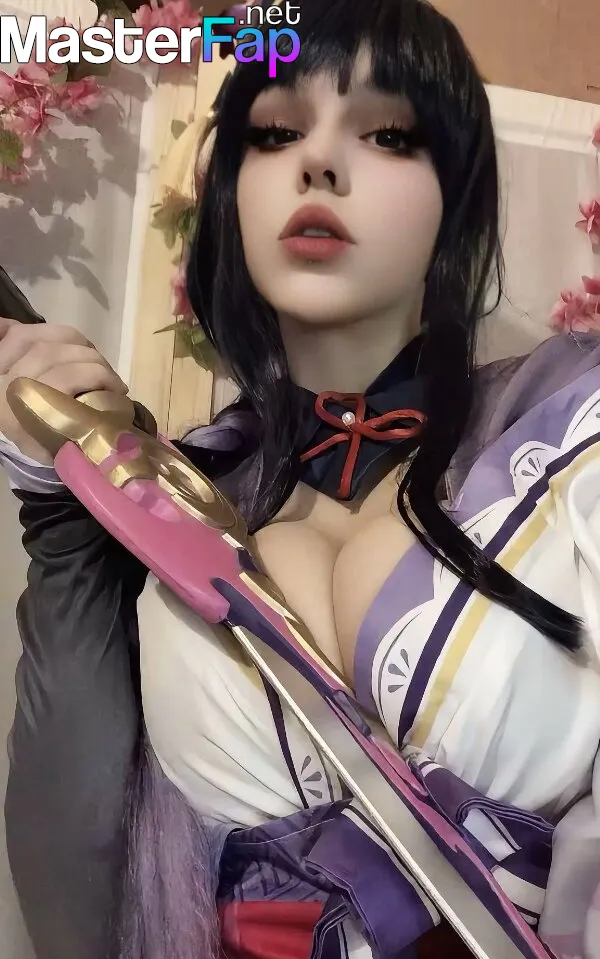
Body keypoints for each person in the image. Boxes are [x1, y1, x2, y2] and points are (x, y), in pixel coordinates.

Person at [1, 0, 600, 957]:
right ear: (231, 193)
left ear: (455, 199)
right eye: (277, 132)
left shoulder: (573, 429)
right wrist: (64, 517)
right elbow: (75, 887)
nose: (319, 160)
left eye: (387, 133)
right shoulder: (173, 500)